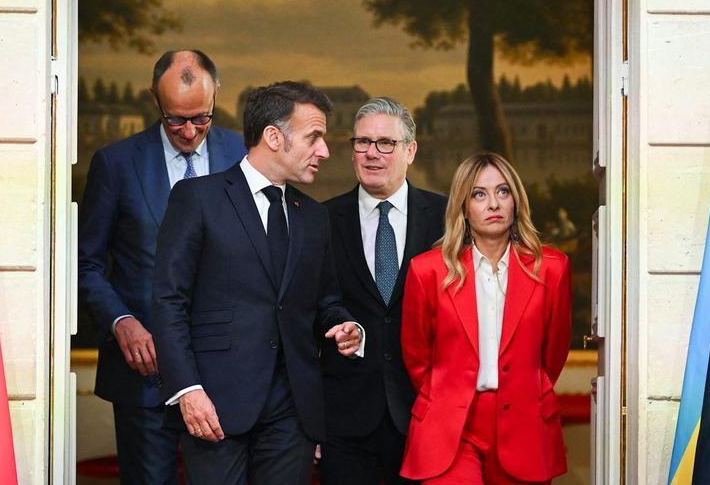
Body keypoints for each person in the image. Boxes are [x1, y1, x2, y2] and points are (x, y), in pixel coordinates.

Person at [152, 80, 364, 485]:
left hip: (293, 410)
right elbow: (168, 301)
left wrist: (345, 326)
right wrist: (187, 390)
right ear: (272, 137)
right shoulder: (197, 198)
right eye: (314, 137)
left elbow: (326, 302)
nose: (325, 151)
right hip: (214, 404)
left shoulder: (314, 217)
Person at [78, 49, 246, 484]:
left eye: (201, 118)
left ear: (215, 98)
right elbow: (87, 262)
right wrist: (120, 320)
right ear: (155, 99)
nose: (189, 132)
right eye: (176, 120)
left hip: (226, 372)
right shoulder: (116, 164)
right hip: (143, 373)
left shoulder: (243, 155)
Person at [400, 152, 571, 484]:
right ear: (464, 207)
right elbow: (417, 357)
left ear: (516, 201)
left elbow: (553, 354)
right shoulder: (428, 271)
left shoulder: (551, 268)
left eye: (503, 191)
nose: (493, 203)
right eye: (480, 194)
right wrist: (447, 392)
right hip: (450, 428)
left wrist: (525, 386)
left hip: (524, 424)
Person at [320, 97, 447, 485]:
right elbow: (308, 308)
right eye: (362, 142)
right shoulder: (320, 220)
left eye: (385, 143)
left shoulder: (447, 218)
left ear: (410, 150)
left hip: (427, 416)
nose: (372, 153)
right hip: (345, 421)